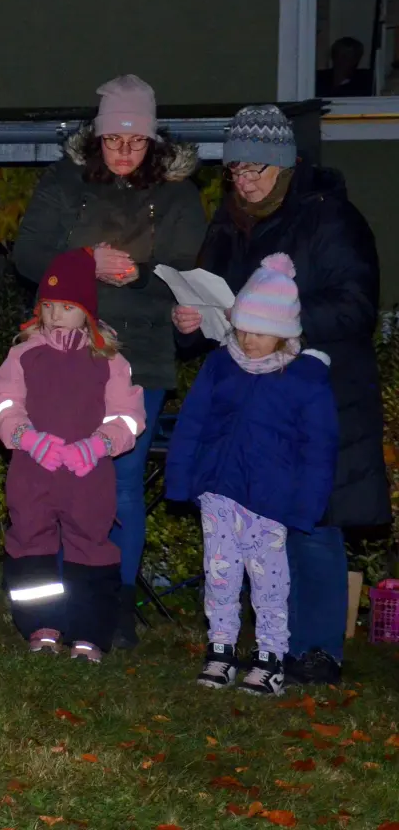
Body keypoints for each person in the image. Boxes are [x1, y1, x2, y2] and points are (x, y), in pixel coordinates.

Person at [174, 105, 389, 686]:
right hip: (248, 405)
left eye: (256, 171)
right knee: (255, 522)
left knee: (313, 517)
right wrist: (194, 323)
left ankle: (317, 649)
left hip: (316, 394)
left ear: (285, 165)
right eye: (236, 171)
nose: (244, 182)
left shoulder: (331, 220)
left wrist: (279, 324)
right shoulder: (229, 225)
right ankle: (268, 644)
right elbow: (220, 305)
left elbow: (356, 306)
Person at [12, 74, 206, 647]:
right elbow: (26, 255)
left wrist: (141, 273)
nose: (123, 152)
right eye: (113, 140)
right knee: (51, 481)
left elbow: (187, 272)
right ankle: (54, 607)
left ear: (155, 142)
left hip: (139, 358)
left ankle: (112, 605)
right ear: (95, 138)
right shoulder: (63, 182)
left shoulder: (178, 196)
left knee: (116, 483)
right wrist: (80, 263)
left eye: (136, 142)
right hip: (60, 356)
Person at [166, 254, 338, 696]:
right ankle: (221, 650)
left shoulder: (305, 379)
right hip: (220, 493)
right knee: (220, 575)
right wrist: (183, 480)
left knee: (269, 582)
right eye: (242, 328)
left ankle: (269, 657)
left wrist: (307, 505)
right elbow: (193, 423)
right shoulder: (221, 365)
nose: (248, 339)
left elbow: (318, 449)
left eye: (259, 331)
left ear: (284, 333)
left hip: (270, 499)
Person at [0, 248, 146, 663]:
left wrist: (100, 444)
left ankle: (89, 631)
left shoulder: (108, 361)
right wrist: (25, 435)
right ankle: (41, 625)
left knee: (91, 548)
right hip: (33, 473)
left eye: (67, 307)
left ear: (87, 312)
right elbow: (1, 401)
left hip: (87, 477)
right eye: (49, 306)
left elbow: (128, 416)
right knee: (29, 547)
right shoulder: (23, 355)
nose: (55, 315)